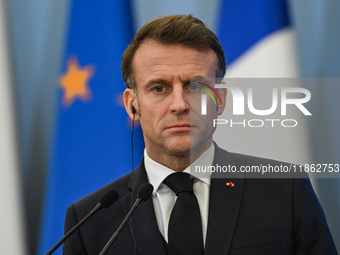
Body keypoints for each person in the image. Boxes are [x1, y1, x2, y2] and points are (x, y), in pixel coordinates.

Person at [63, 14, 338, 255]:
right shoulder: (90, 220)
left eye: (195, 87)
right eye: (159, 88)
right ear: (132, 104)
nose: (180, 105)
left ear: (220, 99)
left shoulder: (285, 190)